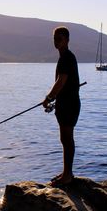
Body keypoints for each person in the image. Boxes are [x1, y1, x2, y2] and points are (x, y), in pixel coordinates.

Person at [43, 26, 80, 186]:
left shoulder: (66, 58)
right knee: (65, 139)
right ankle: (67, 172)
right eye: (54, 39)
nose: (56, 41)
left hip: (69, 105)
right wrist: (55, 100)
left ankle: (68, 175)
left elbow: (61, 81)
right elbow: (64, 85)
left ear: (67, 40)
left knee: (67, 139)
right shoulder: (65, 57)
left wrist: (49, 97)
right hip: (65, 103)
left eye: (59, 38)